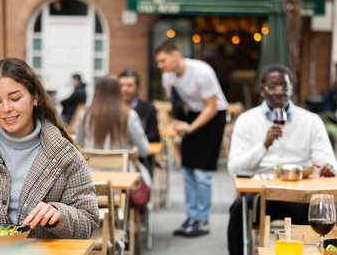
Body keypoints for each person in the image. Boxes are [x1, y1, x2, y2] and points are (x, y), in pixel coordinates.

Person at [0, 58, 99, 239]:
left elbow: (88, 222)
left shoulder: (66, 156)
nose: (6, 108)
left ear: (35, 97)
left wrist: (59, 215)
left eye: (15, 98)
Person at [227, 63, 337, 255]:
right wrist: (264, 146)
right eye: (273, 86)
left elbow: (330, 162)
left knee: (324, 211)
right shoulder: (247, 120)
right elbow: (234, 167)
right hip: (262, 192)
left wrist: (328, 168)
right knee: (237, 210)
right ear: (262, 90)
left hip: (301, 193)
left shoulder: (311, 121)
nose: (279, 92)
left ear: (291, 88)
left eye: (284, 86)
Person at [154, 40, 228, 237]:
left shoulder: (201, 72)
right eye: (158, 62)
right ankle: (192, 217)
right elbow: (176, 103)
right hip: (191, 117)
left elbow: (212, 107)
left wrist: (191, 128)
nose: (160, 66)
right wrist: (178, 123)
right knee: (187, 171)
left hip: (214, 116)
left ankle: (202, 220)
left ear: (176, 55)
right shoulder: (168, 77)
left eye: (163, 60)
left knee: (202, 173)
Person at [75, 74, 151, 184]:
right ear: (118, 92)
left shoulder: (84, 115)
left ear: (97, 92)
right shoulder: (129, 115)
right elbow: (145, 150)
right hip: (122, 182)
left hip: (91, 182)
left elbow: (78, 144)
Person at [118, 69, 160, 143]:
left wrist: (138, 142)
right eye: (121, 85)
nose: (125, 89)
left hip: (141, 152)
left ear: (137, 87)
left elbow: (155, 135)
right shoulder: (113, 109)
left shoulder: (148, 108)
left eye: (129, 85)